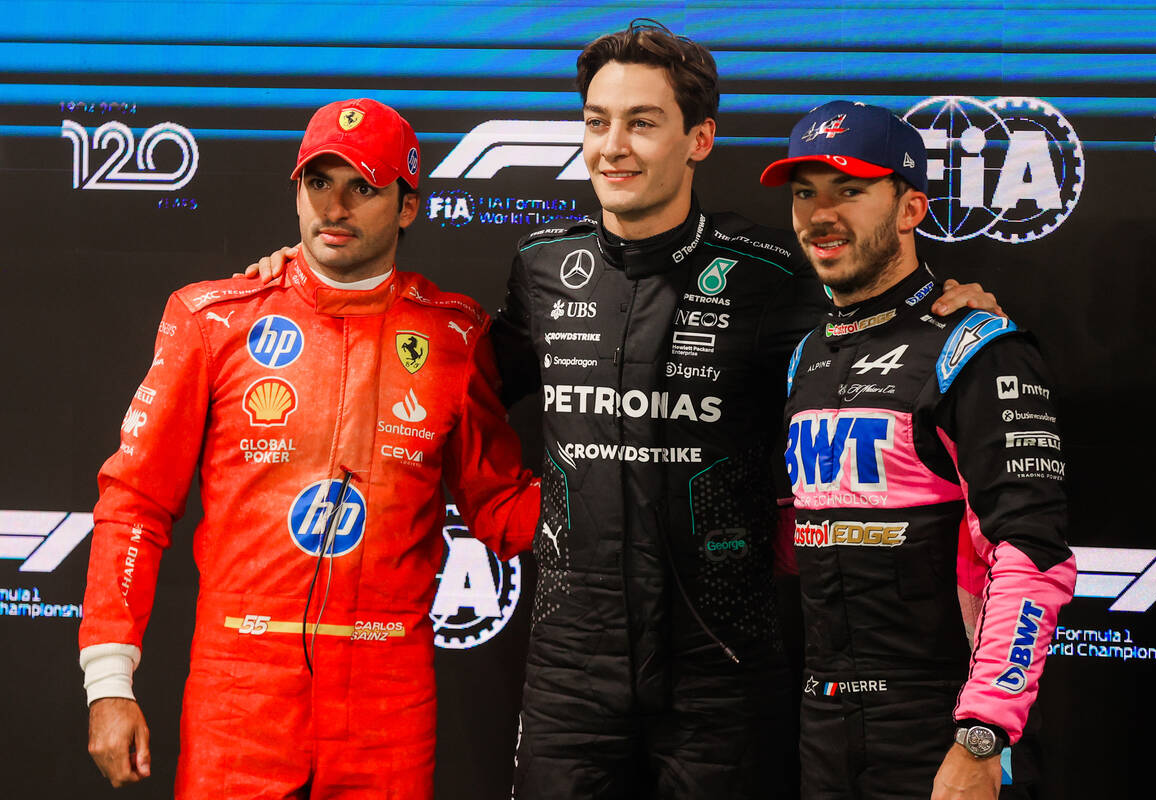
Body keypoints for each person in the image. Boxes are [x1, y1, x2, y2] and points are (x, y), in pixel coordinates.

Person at [243, 23, 1001, 799]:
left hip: (727, 672)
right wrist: (302, 283)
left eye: (642, 123)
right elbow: (441, 378)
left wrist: (942, 302)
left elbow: (879, 319)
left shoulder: (772, 273)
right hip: (573, 675)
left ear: (699, 138)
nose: (613, 146)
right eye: (597, 121)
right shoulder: (542, 268)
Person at [79, 98, 540, 799]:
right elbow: (135, 504)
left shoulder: (455, 339)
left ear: (408, 205)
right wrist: (108, 684)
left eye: (364, 186)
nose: (336, 205)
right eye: (318, 182)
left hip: (388, 705)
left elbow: (499, 505)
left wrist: (614, 490)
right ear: (295, 189)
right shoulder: (214, 321)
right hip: (240, 698)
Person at [762, 100, 1077, 800]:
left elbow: (1032, 554)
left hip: (938, 725)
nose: (821, 214)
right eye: (805, 193)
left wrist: (982, 736)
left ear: (910, 209)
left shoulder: (977, 347)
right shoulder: (808, 355)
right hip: (822, 722)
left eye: (850, 190)